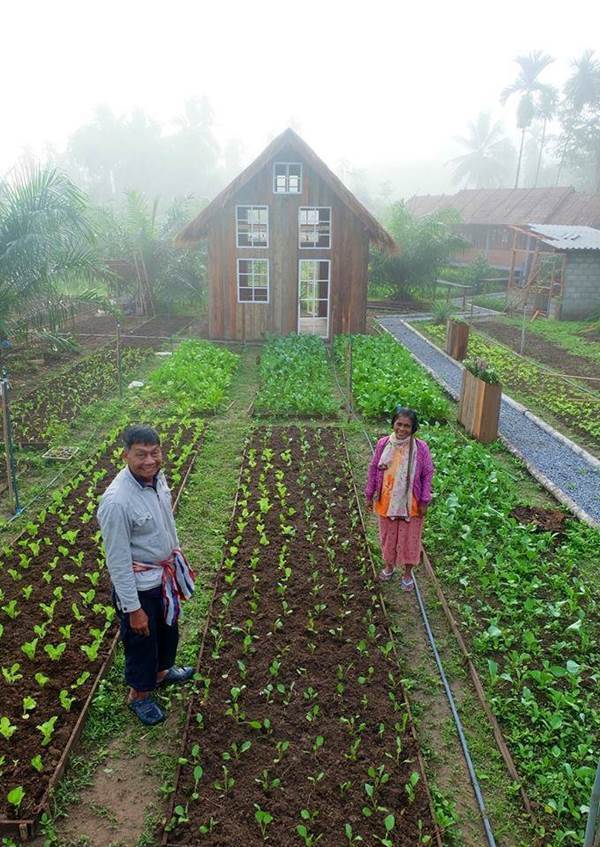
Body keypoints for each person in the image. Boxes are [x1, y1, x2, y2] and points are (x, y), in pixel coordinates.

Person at [97, 424, 195, 725]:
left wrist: (176, 558)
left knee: (167, 629)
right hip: (139, 588)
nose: (149, 460)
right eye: (141, 455)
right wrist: (133, 609)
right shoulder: (116, 502)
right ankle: (139, 696)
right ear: (126, 455)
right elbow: (117, 561)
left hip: (162, 579)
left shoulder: (156, 478)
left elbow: (167, 520)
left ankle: (162, 672)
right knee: (141, 640)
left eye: (155, 453)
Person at [365, 406, 434, 590]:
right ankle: (389, 567)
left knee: (410, 539)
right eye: (399, 424)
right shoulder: (383, 444)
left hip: (411, 504)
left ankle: (407, 573)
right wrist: (369, 494)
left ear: (413, 428)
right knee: (388, 537)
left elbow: (427, 474)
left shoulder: (421, 448)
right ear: (393, 424)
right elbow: (374, 469)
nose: (402, 429)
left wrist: (424, 500)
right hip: (386, 501)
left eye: (407, 426)